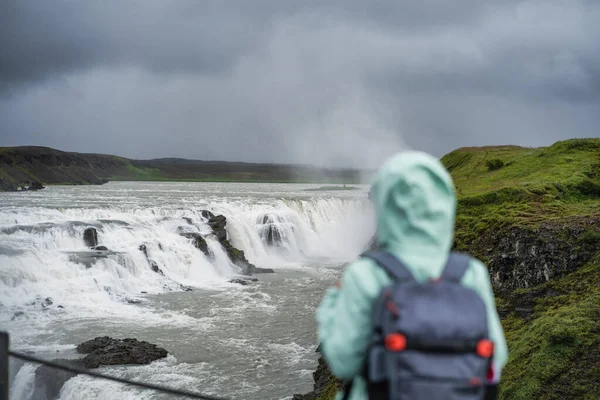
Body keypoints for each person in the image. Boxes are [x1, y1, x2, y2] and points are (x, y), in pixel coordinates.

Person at [316, 150, 508, 399]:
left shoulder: (366, 274)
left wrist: (331, 303)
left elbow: (343, 361)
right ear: (445, 204)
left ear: (386, 205)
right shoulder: (471, 273)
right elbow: (497, 356)